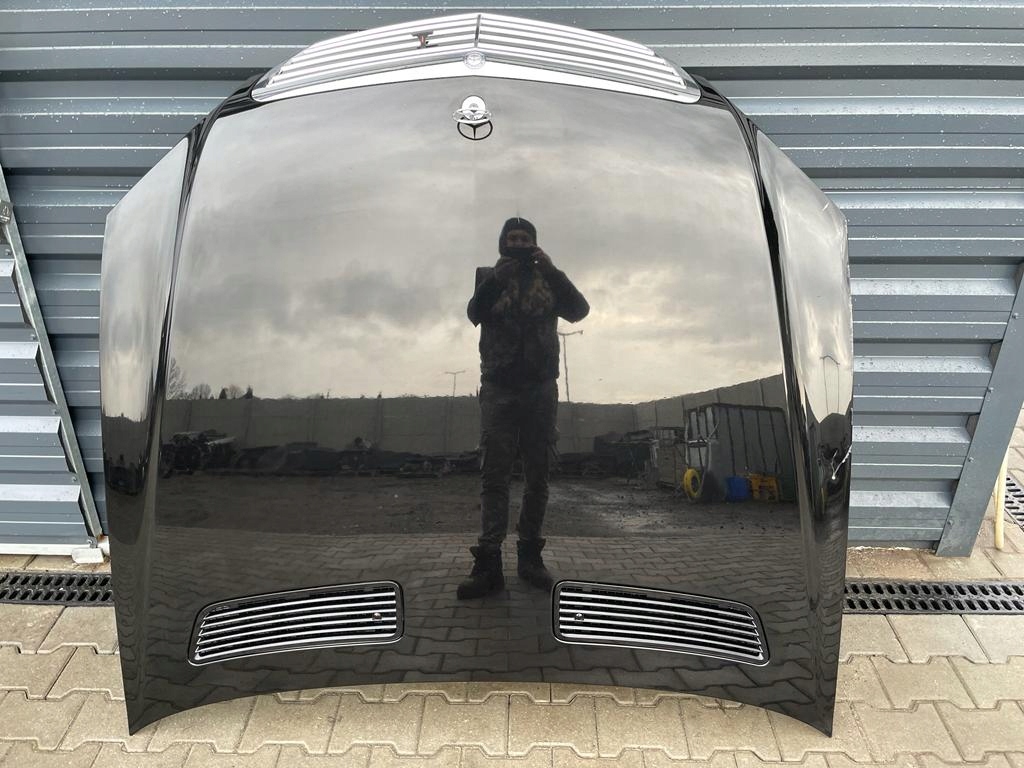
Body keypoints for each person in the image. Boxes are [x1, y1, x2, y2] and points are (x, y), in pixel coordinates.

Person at [458, 217, 590, 599]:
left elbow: (579, 310)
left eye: (525, 238)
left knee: (538, 475)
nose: (518, 243)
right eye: (512, 238)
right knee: (494, 475)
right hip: (499, 387)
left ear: (534, 243)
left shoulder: (548, 278)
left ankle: (530, 558)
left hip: (539, 388)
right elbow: (474, 313)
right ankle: (489, 564)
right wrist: (496, 280)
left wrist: (553, 270)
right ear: (503, 243)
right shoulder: (488, 275)